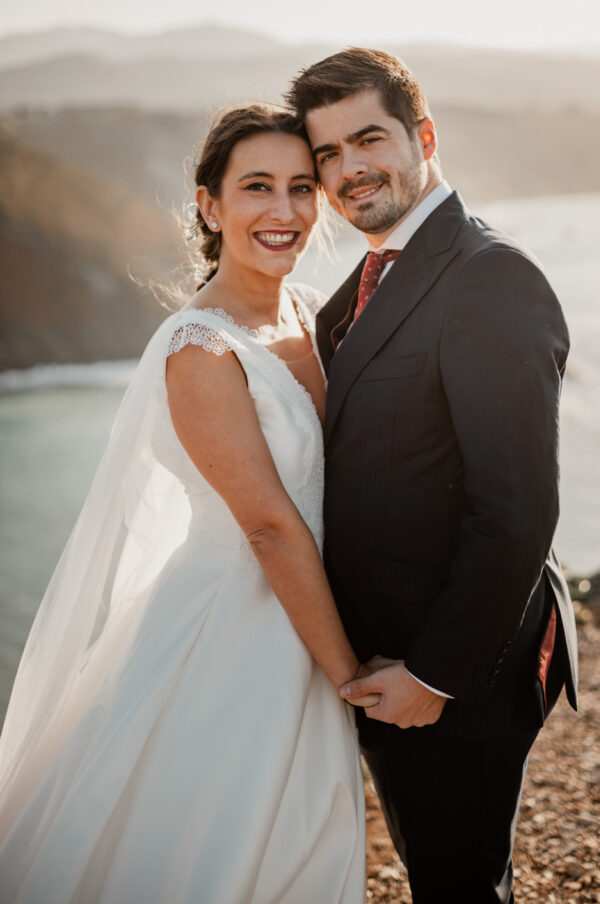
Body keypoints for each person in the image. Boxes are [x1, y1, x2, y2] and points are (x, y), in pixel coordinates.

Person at [0, 104, 371, 904]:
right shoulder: (199, 349)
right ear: (209, 205)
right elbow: (270, 527)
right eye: (257, 188)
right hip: (236, 635)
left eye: (302, 187)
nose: (284, 212)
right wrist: (350, 675)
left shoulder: (308, 311)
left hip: (308, 613)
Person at [287, 48, 579, 904]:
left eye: (367, 139)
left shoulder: (490, 278)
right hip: (390, 660)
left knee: (457, 886)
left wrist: (434, 677)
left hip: (458, 671)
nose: (348, 170)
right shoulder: (367, 281)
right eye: (327, 155)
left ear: (423, 136)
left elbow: (516, 511)